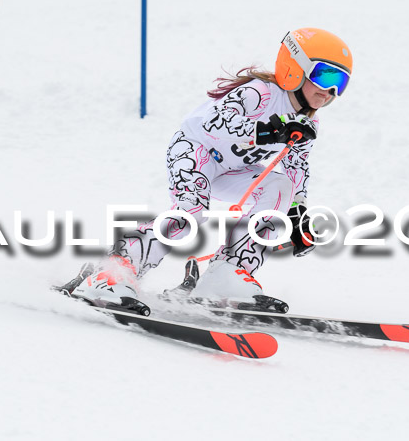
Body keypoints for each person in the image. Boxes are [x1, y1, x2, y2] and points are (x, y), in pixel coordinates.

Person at [58, 28, 353, 313]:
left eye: (340, 83)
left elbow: (295, 166)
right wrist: (269, 130)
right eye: (325, 75)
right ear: (295, 66)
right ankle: (113, 273)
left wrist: (296, 213)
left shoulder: (307, 125)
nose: (330, 91)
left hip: (234, 169)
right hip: (195, 150)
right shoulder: (259, 92)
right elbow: (218, 123)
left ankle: (228, 274)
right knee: (190, 214)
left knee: (280, 189)